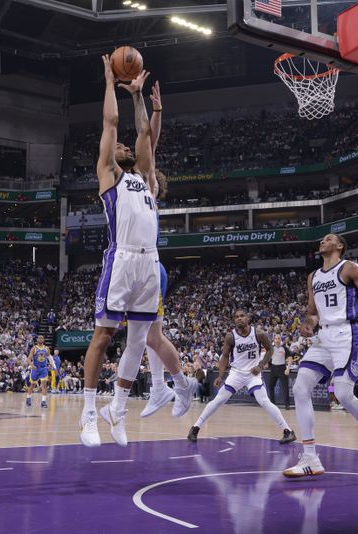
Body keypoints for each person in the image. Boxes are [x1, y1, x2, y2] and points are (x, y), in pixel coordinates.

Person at [79, 58, 163, 448]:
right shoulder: (110, 174)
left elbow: (144, 130)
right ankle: (87, 414)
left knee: (140, 338)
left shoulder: (145, 178)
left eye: (131, 147)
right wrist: (110, 83)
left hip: (150, 261)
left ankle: (118, 408)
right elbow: (111, 125)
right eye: (122, 147)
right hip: (123, 258)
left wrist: (139, 96)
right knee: (103, 335)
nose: (127, 145)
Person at [283, 233, 358, 483]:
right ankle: (310, 457)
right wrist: (308, 324)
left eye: (328, 239)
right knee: (300, 387)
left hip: (348, 332)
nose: (322, 241)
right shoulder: (313, 277)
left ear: (339, 246)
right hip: (323, 336)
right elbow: (312, 312)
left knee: (345, 394)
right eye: (321, 239)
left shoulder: (350, 268)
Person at [139, 80, 199, 419]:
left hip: (148, 266)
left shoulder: (145, 186)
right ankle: (160, 387)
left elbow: (150, 142)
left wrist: (156, 109)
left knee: (150, 335)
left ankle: (175, 384)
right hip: (133, 264)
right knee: (145, 337)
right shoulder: (127, 184)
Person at [187, 309, 296, 444]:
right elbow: (225, 356)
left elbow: (270, 349)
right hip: (236, 373)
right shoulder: (230, 336)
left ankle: (288, 431)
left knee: (264, 402)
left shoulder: (258, 333)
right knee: (218, 400)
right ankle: (195, 428)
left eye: (242, 316)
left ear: (248, 317)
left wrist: (261, 366)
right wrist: (220, 376)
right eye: (236, 316)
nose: (239, 318)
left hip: (253, 374)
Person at [27, 336, 55, 408]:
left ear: (44, 340)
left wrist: (52, 365)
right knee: (32, 385)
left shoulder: (46, 348)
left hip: (43, 369)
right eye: (39, 338)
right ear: (37, 340)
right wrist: (31, 364)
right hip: (35, 368)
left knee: (44, 384)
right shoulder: (34, 348)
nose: (41, 339)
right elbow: (29, 359)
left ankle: (43, 402)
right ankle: (28, 398)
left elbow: (49, 357)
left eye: (42, 338)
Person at [267, 334, 292, 409]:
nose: (277, 340)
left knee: (285, 387)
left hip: (282, 368)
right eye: (276, 338)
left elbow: (290, 358)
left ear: (280, 340)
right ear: (274, 340)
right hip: (273, 368)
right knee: (270, 386)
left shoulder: (284, 348)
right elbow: (267, 358)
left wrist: (288, 368)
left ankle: (287, 405)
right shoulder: (271, 348)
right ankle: (272, 404)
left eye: (278, 338)